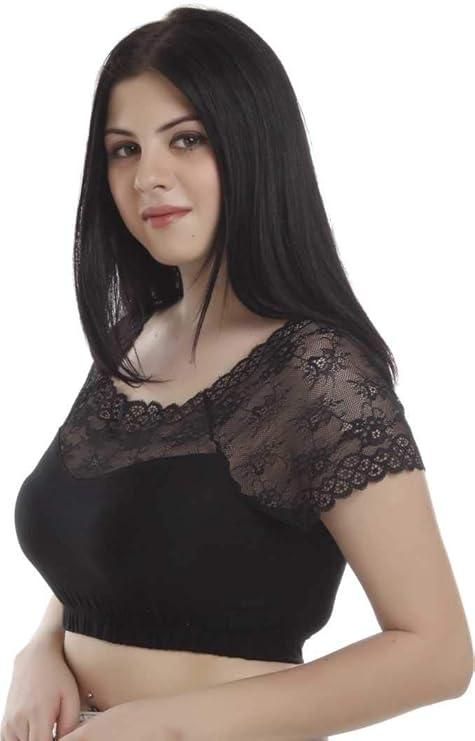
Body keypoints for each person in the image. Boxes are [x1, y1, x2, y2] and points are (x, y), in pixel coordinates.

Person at [3, 6, 472, 741]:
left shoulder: (314, 371)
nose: (148, 177)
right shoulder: (136, 341)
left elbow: (436, 653)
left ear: (255, 144)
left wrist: (164, 728)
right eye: (123, 150)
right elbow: (113, 548)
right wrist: (40, 648)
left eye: (186, 139)